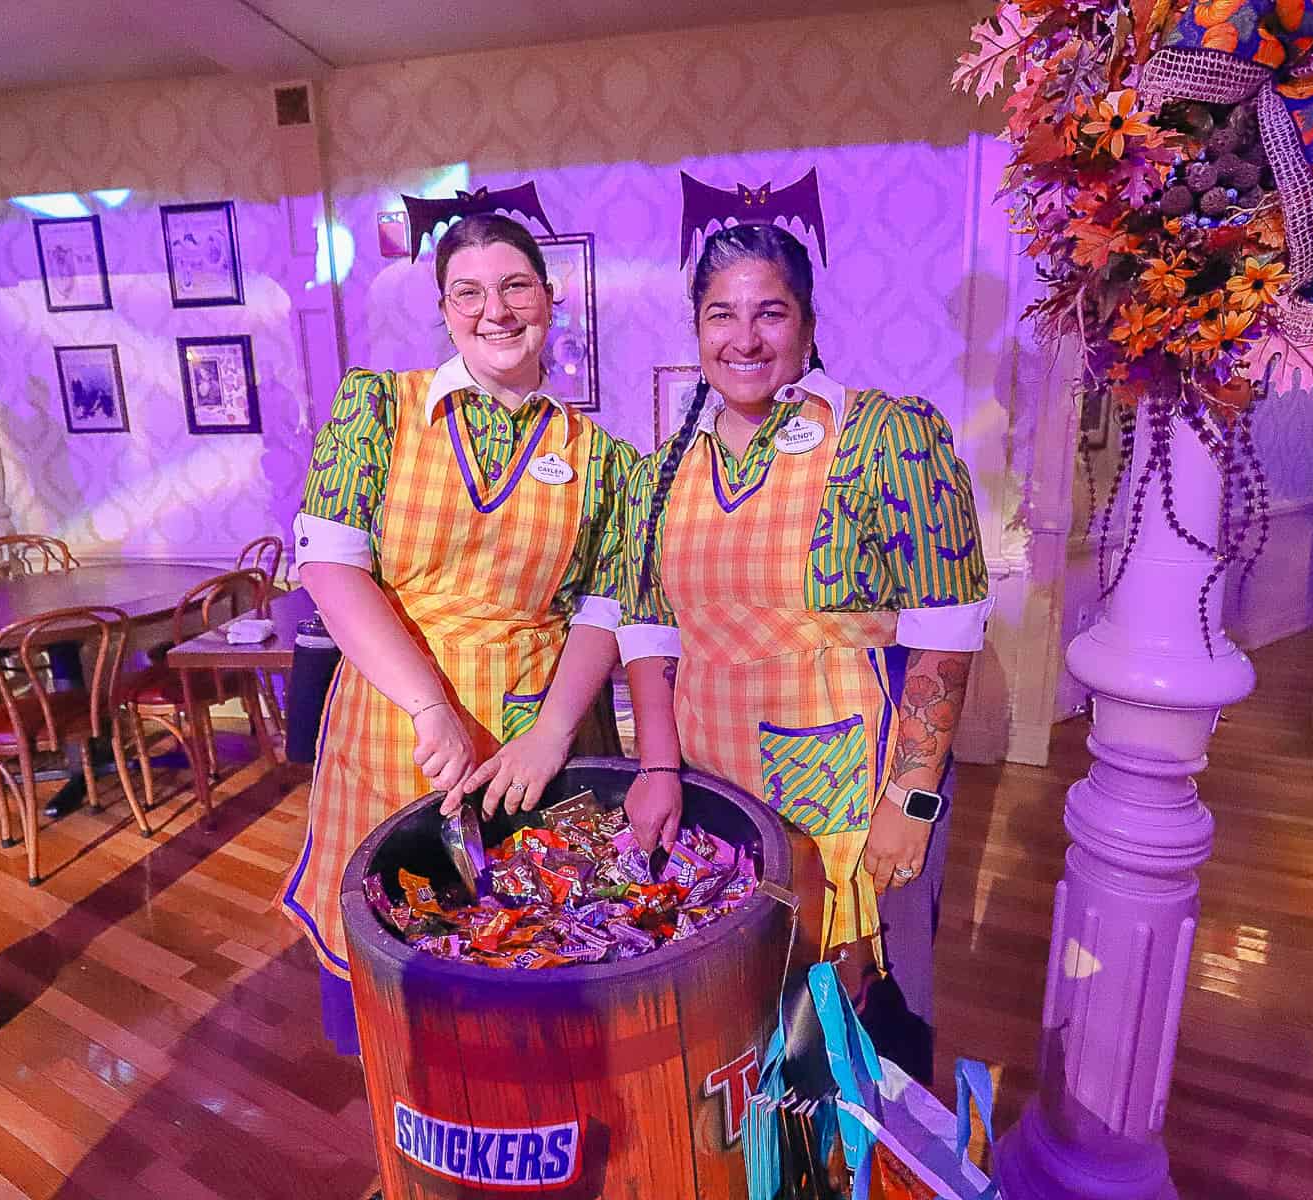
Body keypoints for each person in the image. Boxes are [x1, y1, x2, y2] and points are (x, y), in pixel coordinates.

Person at [615, 223, 990, 1081]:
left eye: (769, 313)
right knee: (745, 1014)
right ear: (697, 330)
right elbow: (649, 633)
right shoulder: (662, 471)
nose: (744, 337)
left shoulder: (881, 436)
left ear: (809, 326)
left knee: (860, 1024)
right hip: (718, 789)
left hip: (858, 792)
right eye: (721, 315)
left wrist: (914, 797)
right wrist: (661, 768)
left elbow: (949, 625)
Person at [284, 213, 638, 1053]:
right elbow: (331, 568)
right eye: (469, 292)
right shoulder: (379, 406)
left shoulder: (603, 456)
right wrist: (429, 706)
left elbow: (606, 605)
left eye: (517, 286)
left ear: (552, 300)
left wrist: (552, 736)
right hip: (396, 722)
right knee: (396, 968)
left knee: (531, 964)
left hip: (537, 736)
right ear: (443, 309)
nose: (497, 310)